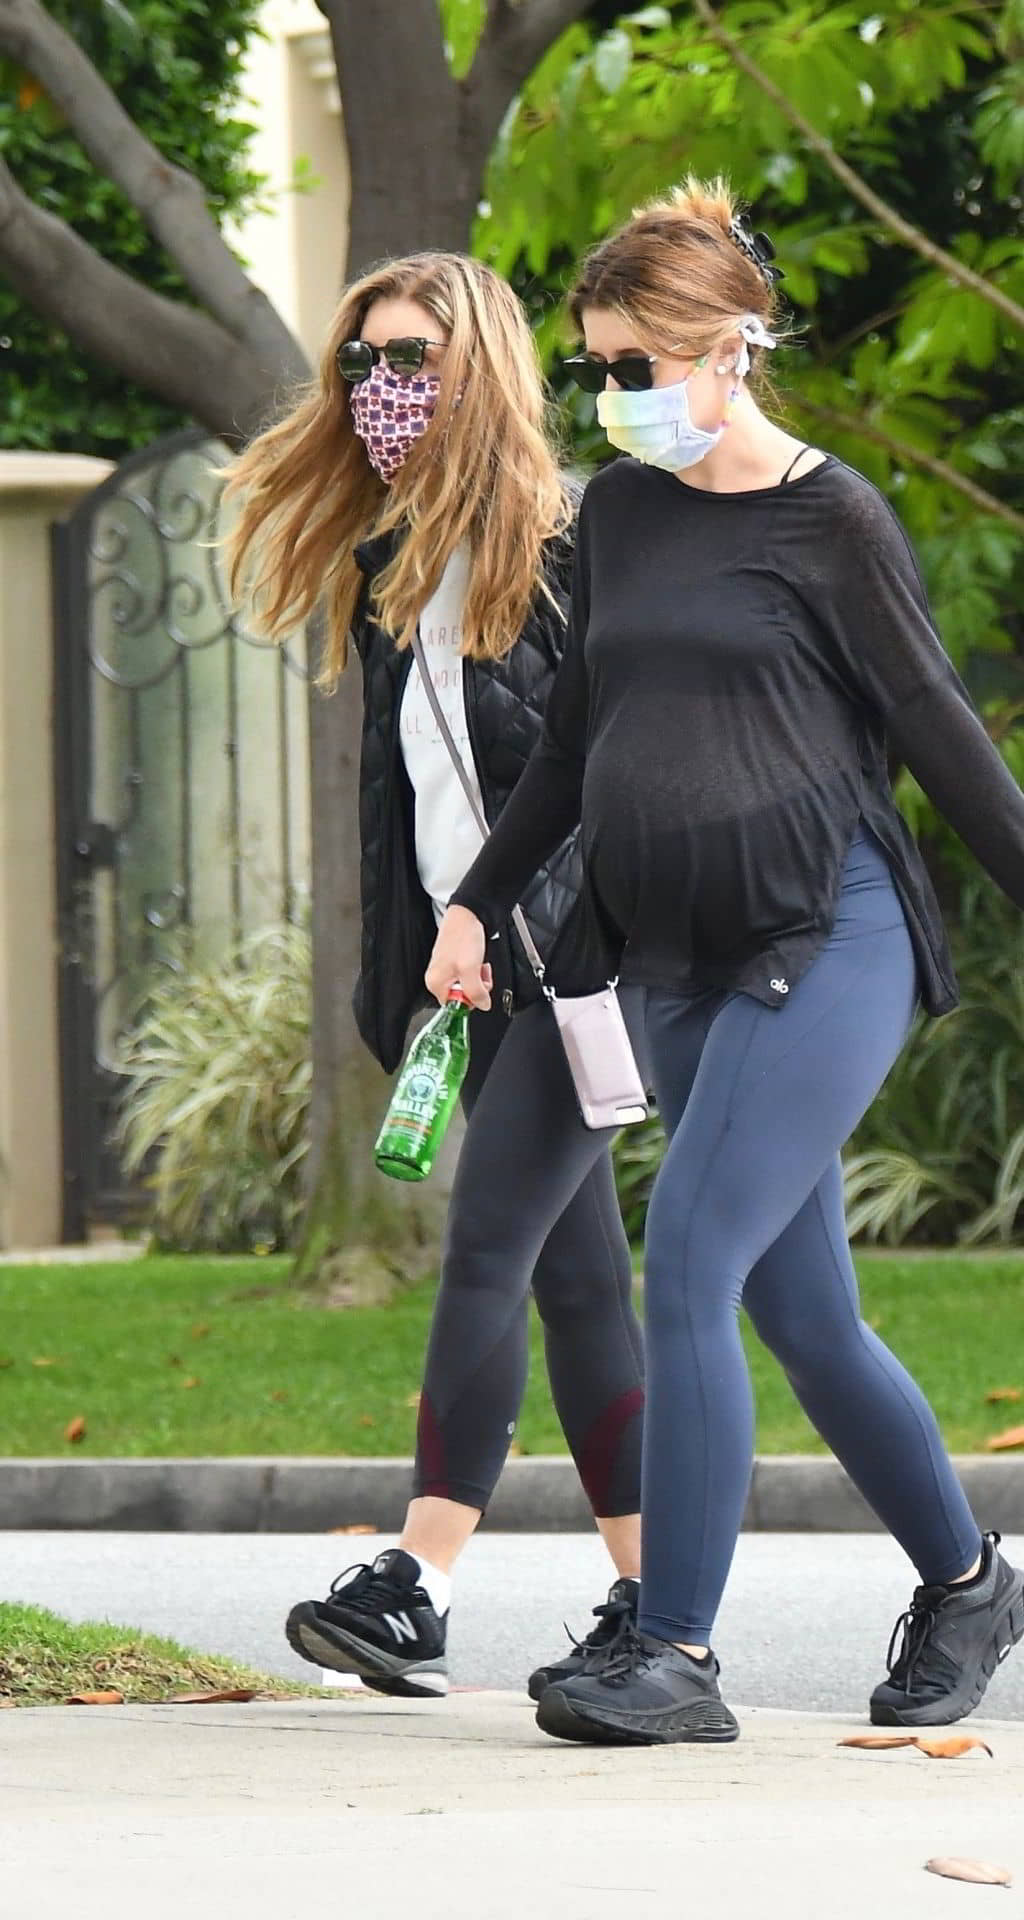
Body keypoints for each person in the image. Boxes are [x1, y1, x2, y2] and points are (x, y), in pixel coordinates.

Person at [426, 180, 1024, 1746]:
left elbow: (941, 730)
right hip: (666, 959)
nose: (614, 396)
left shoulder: (833, 518)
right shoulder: (617, 515)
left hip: (826, 939)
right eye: (598, 367)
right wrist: (477, 901)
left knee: (688, 1261)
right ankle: (968, 1585)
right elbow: (574, 747)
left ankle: (671, 1652)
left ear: (729, 351)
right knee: (805, 1314)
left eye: (637, 365)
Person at [223, 252, 645, 1700]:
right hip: (486, 978)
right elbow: (406, 800)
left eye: (413, 362)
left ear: (480, 373)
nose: (382, 390)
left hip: (584, 967)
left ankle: (420, 1580)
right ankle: (654, 1601)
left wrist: (545, 929)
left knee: (485, 1246)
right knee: (582, 1287)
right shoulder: (391, 565)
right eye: (364, 364)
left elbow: (607, 773)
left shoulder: (579, 541)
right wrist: (416, 965)